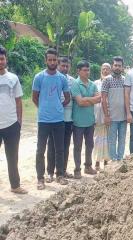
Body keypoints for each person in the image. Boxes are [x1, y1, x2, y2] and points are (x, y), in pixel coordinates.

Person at [32, 48, 70, 190]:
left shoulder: (62, 78)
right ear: (46, 60)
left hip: (58, 120)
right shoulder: (39, 77)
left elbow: (67, 98)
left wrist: (58, 107)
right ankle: (40, 178)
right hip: (43, 120)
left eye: (55, 60)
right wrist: (43, 108)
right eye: (50, 59)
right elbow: (34, 97)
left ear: (57, 60)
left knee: (59, 149)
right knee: (40, 150)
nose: (52, 62)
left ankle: (59, 175)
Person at [0, 45, 27, 194]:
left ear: (6, 59)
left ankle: (15, 186)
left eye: (2, 59)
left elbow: (18, 101)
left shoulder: (13, 78)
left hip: (11, 124)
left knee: (12, 157)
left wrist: (19, 121)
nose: (0, 62)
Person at [46, 56, 75, 180]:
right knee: (52, 145)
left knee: (65, 145)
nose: (64, 68)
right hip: (54, 119)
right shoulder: (52, 79)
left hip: (68, 119)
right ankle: (50, 172)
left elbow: (73, 98)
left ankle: (62, 171)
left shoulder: (73, 81)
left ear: (70, 67)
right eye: (62, 65)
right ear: (58, 65)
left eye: (67, 66)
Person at [71, 60, 100, 179]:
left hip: (90, 121)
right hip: (78, 121)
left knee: (90, 144)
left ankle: (88, 166)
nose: (87, 72)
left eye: (88, 70)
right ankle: (77, 169)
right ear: (78, 71)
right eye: (84, 70)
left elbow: (99, 99)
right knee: (77, 146)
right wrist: (91, 99)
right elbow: (80, 102)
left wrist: (86, 99)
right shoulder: (75, 84)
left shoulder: (93, 84)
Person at [102, 57, 126, 161]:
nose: (117, 67)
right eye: (115, 65)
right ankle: (113, 161)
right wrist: (106, 116)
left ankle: (120, 160)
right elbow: (103, 99)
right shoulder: (107, 80)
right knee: (112, 140)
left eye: (119, 66)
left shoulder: (125, 80)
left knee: (122, 140)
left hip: (123, 117)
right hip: (111, 117)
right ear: (112, 66)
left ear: (122, 67)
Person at [93, 63, 111, 169]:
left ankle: (106, 161)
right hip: (97, 115)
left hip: (108, 115)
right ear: (101, 70)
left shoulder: (112, 83)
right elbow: (94, 98)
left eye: (107, 69)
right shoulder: (95, 83)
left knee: (107, 139)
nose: (105, 71)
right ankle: (96, 161)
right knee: (97, 139)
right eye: (103, 69)